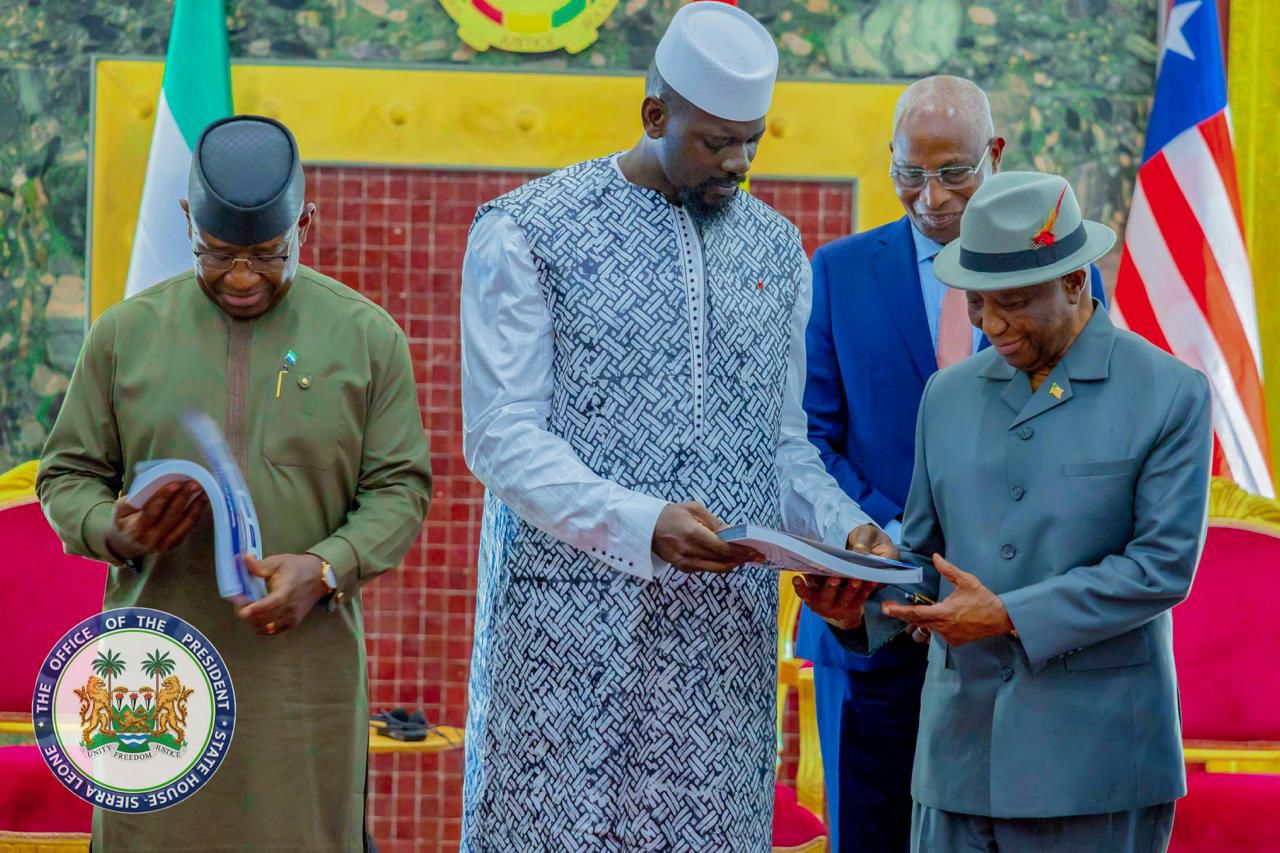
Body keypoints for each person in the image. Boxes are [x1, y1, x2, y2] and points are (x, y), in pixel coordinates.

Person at [457, 3, 891, 849]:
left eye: (752, 141)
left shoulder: (775, 250)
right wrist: (640, 523)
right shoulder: (530, 231)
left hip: (715, 653)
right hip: (563, 644)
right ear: (655, 114)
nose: (738, 162)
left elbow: (782, 448)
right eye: (715, 140)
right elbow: (501, 437)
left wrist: (848, 533)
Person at [38, 115, 433, 851]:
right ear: (187, 222)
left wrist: (325, 567)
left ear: (305, 224)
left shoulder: (367, 337)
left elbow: (400, 489)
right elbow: (66, 475)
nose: (242, 277)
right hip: (150, 677)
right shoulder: (124, 335)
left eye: (266, 254)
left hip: (298, 683)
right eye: (216, 254)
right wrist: (112, 528)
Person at [797, 171, 1210, 853]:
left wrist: (1010, 614)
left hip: (1096, 770)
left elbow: (1160, 567)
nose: (991, 325)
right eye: (979, 301)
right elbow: (927, 562)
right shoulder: (947, 395)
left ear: (1077, 281)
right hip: (955, 763)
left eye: (1013, 303)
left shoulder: (1169, 393)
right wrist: (860, 606)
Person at [799, 76, 1109, 852]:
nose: (929, 197)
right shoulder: (837, 272)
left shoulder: (1061, 276)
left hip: (1004, 630)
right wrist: (892, 540)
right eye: (909, 173)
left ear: (995, 155)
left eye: (953, 173)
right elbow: (809, 439)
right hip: (872, 624)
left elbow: (1081, 441)